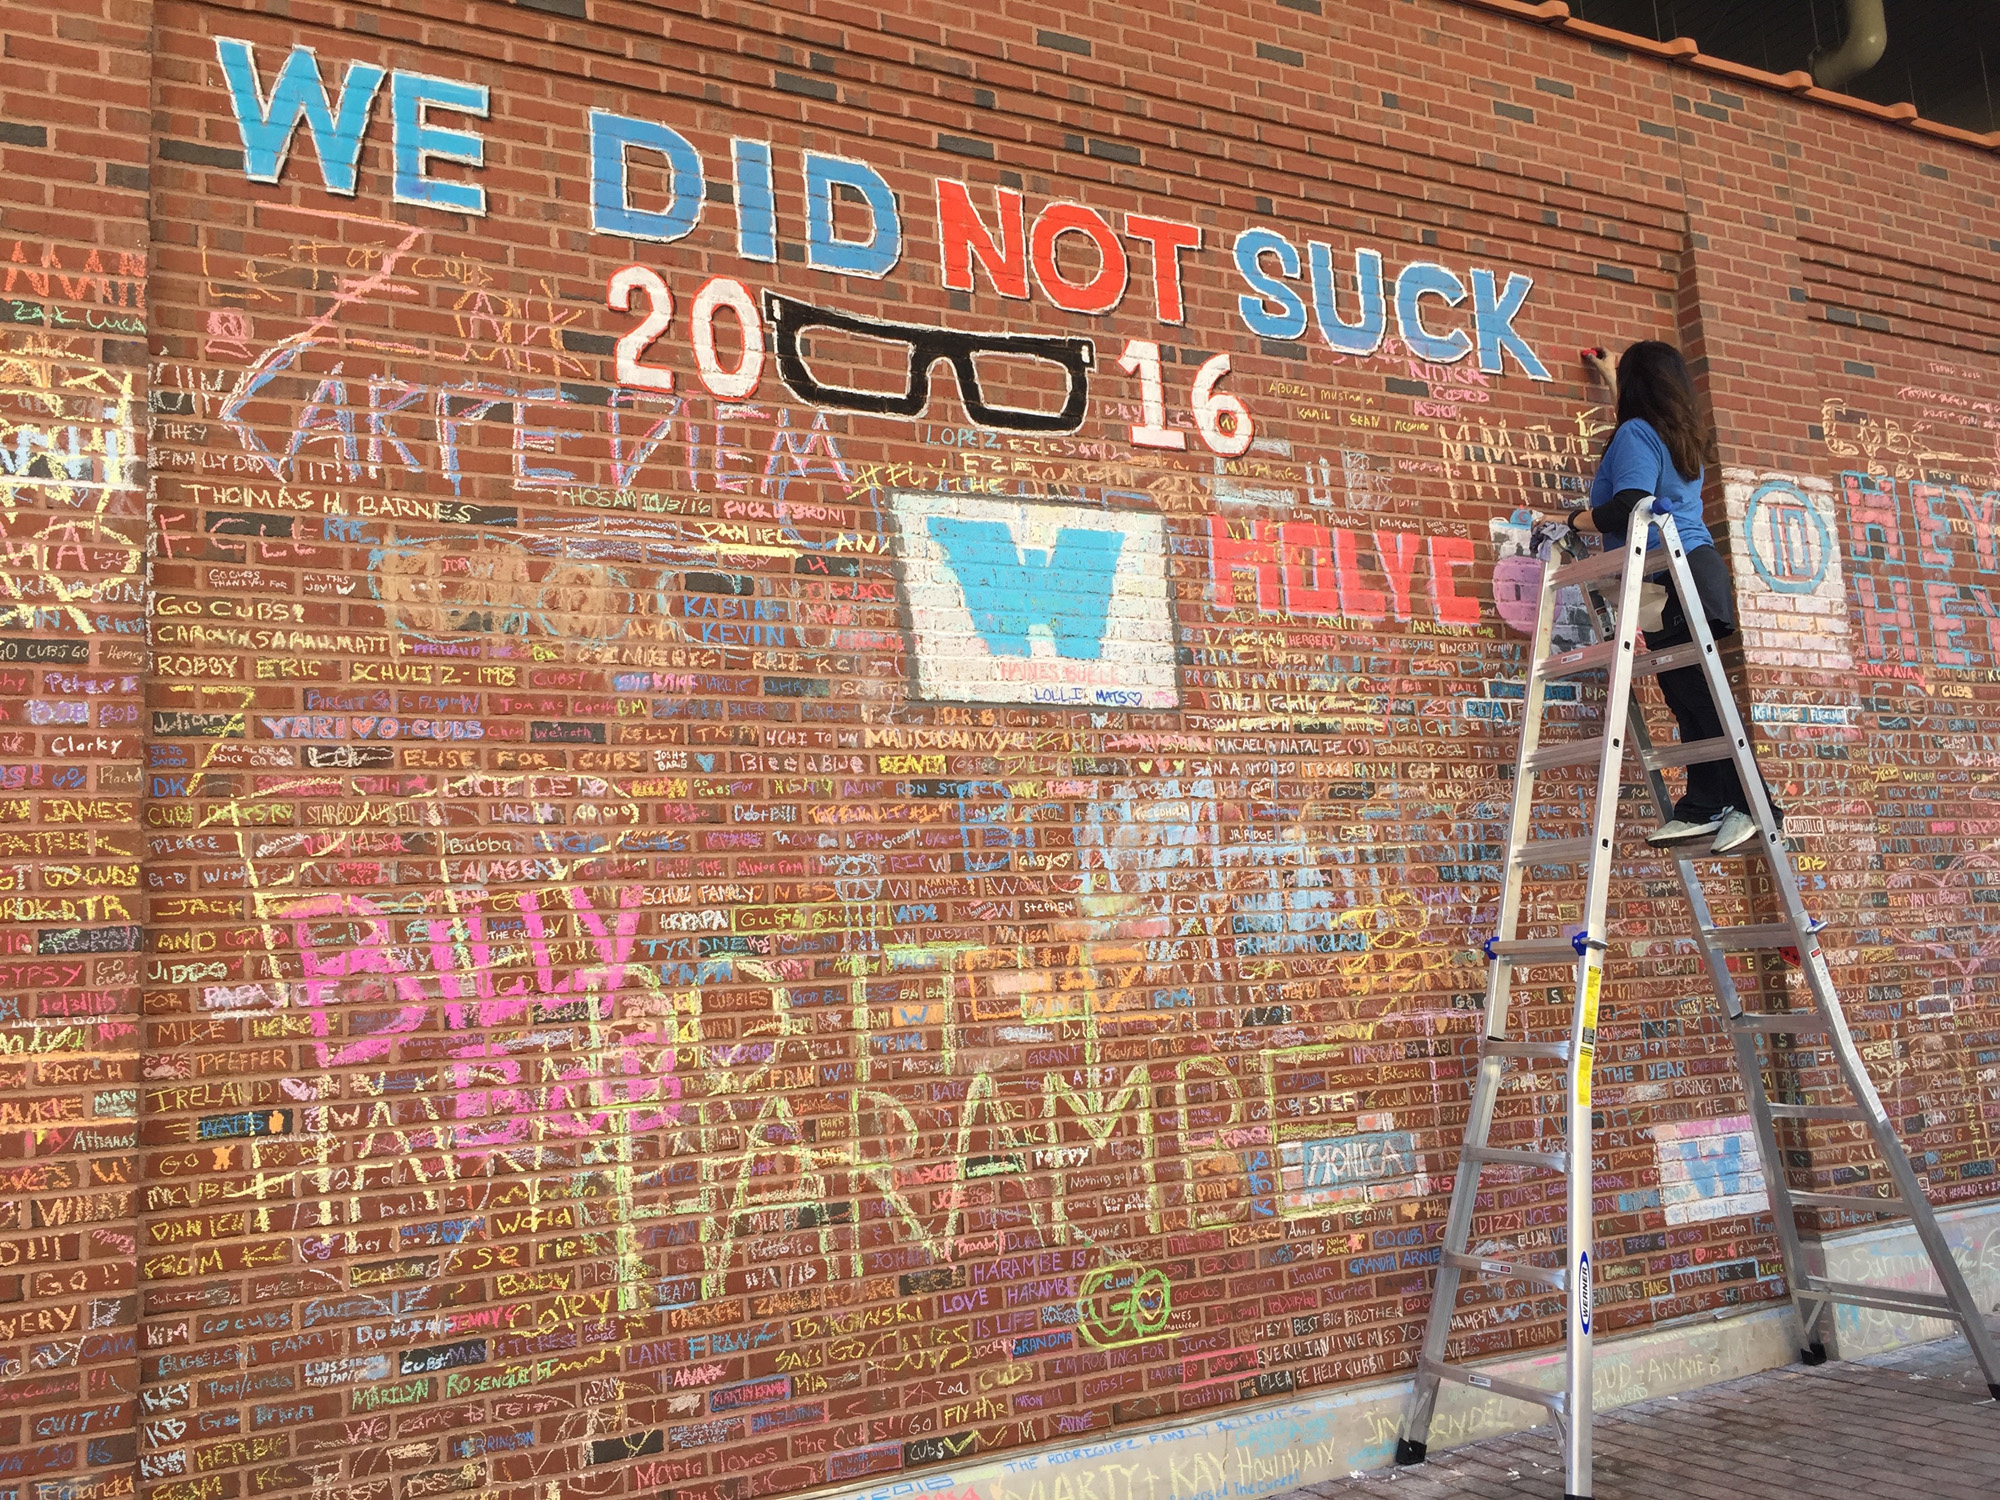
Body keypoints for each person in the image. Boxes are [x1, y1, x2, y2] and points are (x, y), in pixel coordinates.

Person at [1545, 341, 1778, 855]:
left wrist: (1573, 521)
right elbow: (1641, 446)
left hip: (1671, 574)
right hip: (1689, 573)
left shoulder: (1635, 433)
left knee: (1696, 693)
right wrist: (1612, 379)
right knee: (1686, 693)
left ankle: (1753, 805)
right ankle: (1705, 804)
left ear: (1638, 388)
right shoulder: (1677, 435)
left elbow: (1629, 505)